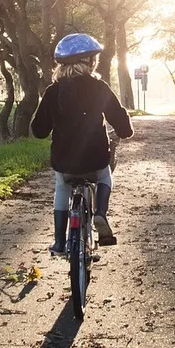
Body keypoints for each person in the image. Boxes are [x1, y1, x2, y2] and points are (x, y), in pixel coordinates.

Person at [31, 33, 134, 254]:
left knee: (62, 186)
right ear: (90, 62)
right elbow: (121, 122)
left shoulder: (52, 92)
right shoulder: (100, 88)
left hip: (64, 162)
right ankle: (100, 214)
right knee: (105, 176)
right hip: (95, 159)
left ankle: (59, 242)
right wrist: (125, 130)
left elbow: (38, 131)